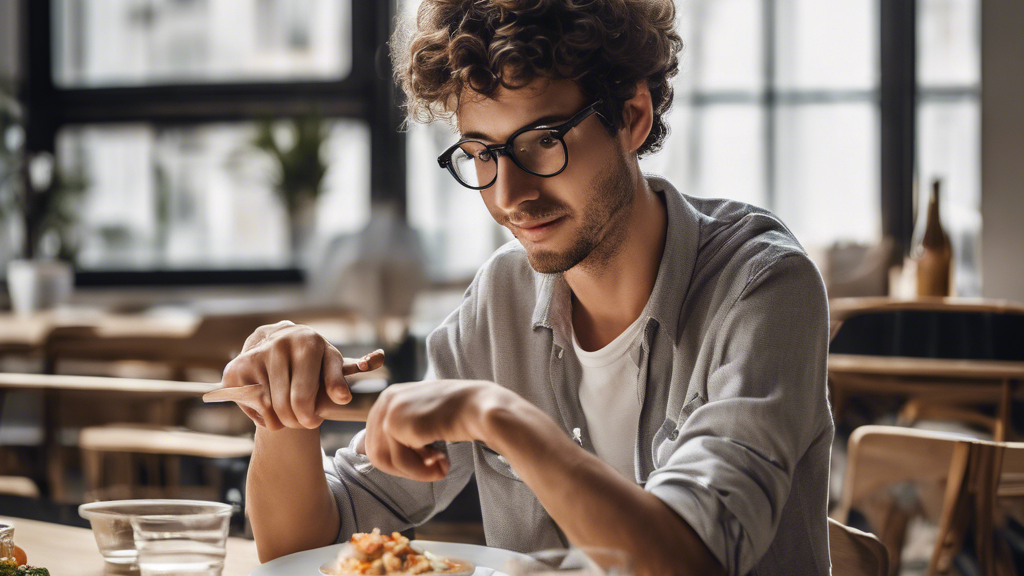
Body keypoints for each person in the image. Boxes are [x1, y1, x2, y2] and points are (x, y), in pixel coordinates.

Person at [222, 1, 834, 574]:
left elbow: (696, 559)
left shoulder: (762, 287)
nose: (509, 196)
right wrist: (285, 412)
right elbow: (304, 552)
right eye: (481, 153)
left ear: (632, 117)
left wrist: (497, 416)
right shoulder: (502, 299)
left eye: (544, 141)